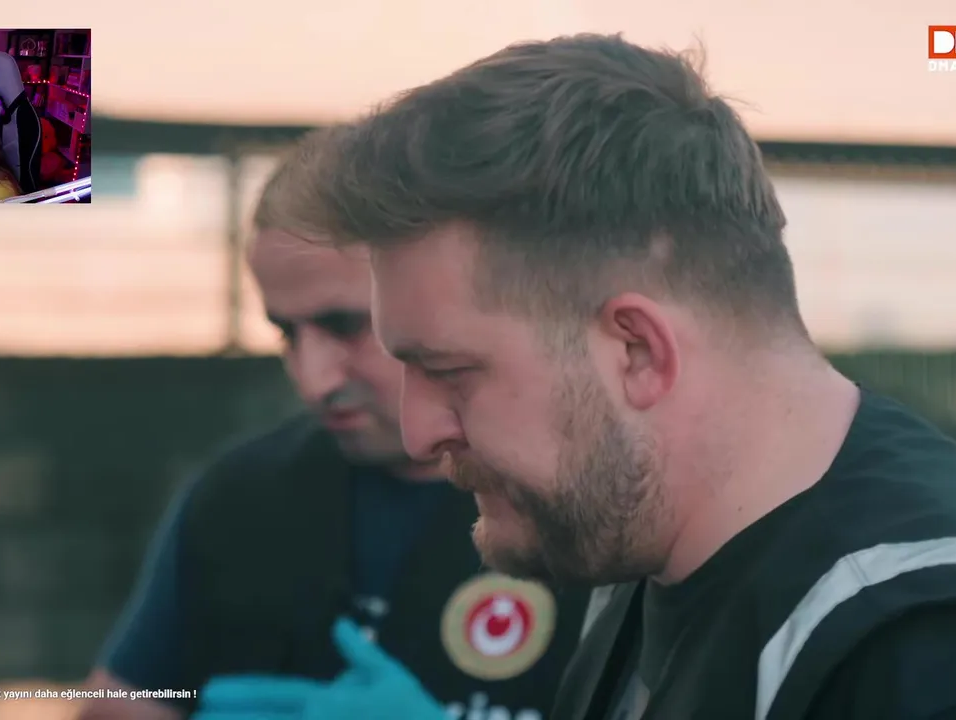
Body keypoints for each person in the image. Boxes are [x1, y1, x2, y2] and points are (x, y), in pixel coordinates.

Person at [193, 34, 956, 720]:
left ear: (636, 350)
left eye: (449, 370)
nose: (421, 430)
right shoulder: (646, 541)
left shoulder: (944, 670)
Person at [77, 126, 588, 720]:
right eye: (286, 333)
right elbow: (120, 704)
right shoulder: (242, 499)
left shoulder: (587, 509)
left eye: (346, 325)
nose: (313, 379)